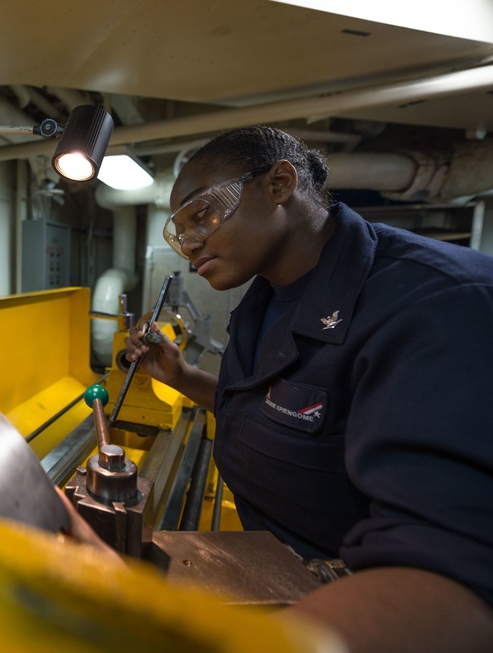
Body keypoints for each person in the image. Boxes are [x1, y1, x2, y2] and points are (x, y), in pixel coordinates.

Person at [114, 126, 493, 652]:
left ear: (279, 184)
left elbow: (452, 581)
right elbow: (279, 411)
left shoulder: (439, 305)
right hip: (284, 566)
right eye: (180, 233)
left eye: (203, 214)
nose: (191, 243)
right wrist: (184, 378)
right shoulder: (265, 301)